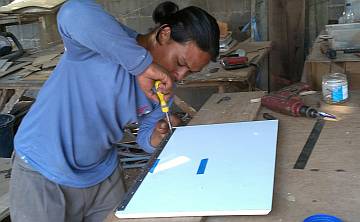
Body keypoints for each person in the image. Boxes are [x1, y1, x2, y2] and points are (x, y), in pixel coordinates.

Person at [9, 0, 219, 221]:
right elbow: (72, 12)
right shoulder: (106, 43)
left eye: (190, 72)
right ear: (164, 34)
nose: (179, 75)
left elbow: (146, 137)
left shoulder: (164, 85)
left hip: (101, 174)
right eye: (180, 62)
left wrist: (158, 136)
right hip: (43, 167)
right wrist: (142, 65)